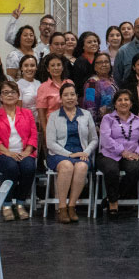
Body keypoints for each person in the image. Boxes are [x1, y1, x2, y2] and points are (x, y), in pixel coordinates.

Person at [45, 82, 98, 223]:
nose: (69, 98)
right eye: (66, 95)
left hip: (81, 153)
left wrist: (86, 152)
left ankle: (72, 206)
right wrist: (68, 154)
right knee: (67, 166)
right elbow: (50, 143)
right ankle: (62, 207)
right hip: (58, 153)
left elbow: (94, 139)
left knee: (82, 166)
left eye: (72, 94)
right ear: (61, 98)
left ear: (77, 97)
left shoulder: (86, 115)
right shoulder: (54, 116)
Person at [0, 81, 38, 220]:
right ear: (0, 97)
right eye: (5, 92)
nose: (9, 95)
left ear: (18, 95)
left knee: (29, 167)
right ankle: (7, 204)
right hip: (0, 154)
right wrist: (8, 153)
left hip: (24, 152)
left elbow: (34, 134)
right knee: (11, 167)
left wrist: (27, 151)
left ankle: (20, 203)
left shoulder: (27, 113)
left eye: (13, 92)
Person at [97, 89, 139, 216]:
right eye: (120, 100)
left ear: (131, 104)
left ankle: (113, 196)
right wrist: (122, 151)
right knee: (111, 170)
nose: (123, 102)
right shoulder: (107, 118)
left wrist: (138, 153)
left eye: (126, 100)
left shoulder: (138, 121)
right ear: (115, 104)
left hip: (131, 155)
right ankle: (113, 203)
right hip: (109, 154)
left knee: (136, 169)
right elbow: (105, 139)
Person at [35, 54, 70, 132]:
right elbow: (42, 114)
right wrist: (45, 132)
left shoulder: (70, 83)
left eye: (58, 65)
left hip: (71, 125)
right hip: (53, 127)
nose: (56, 68)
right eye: (53, 65)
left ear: (62, 67)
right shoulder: (43, 87)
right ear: (48, 69)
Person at [81, 52, 118, 122]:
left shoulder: (112, 79)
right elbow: (90, 106)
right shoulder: (91, 83)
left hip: (114, 121)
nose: (104, 64)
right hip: (99, 123)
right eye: (100, 62)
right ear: (95, 67)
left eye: (106, 62)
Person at [16, 55, 41, 120]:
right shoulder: (17, 85)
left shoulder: (39, 83)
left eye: (32, 65)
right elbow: (18, 111)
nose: (29, 68)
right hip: (26, 123)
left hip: (40, 122)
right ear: (21, 68)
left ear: (36, 67)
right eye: (26, 66)